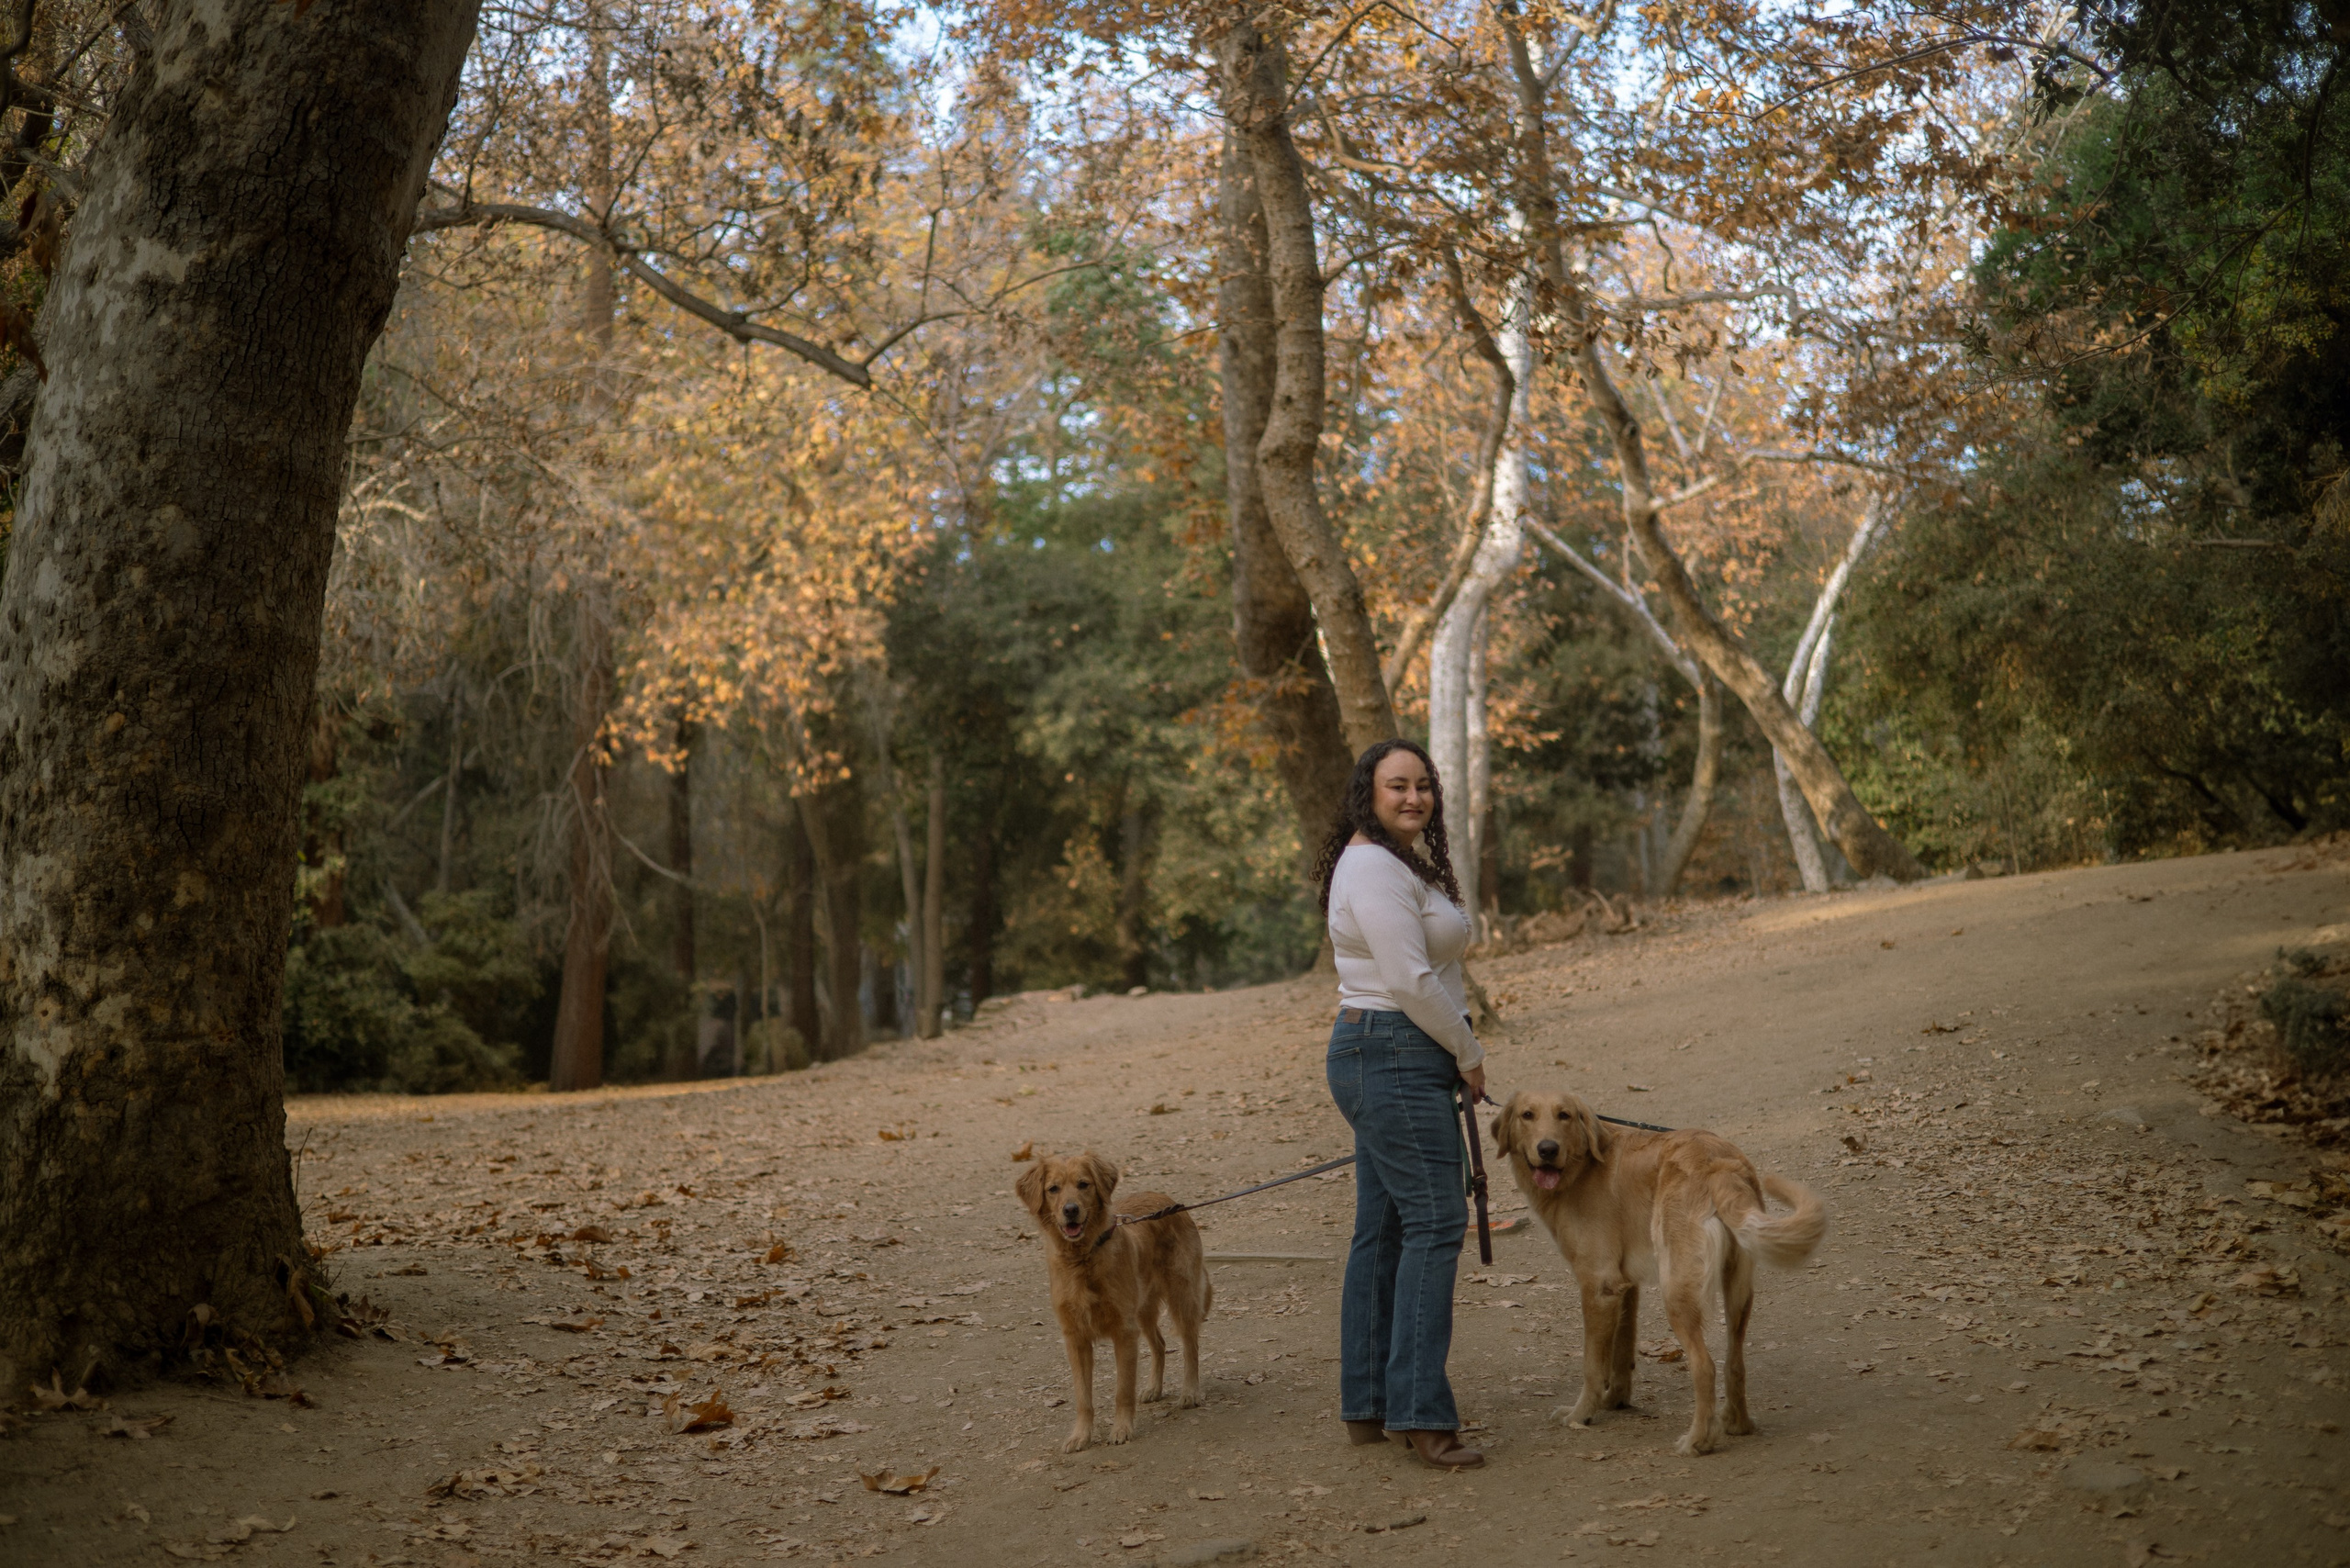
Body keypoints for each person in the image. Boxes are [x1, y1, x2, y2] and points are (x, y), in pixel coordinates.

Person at [1315, 738, 1487, 1470]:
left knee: (1384, 1229)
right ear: (1368, 793)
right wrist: (1469, 1055)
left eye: (1423, 785)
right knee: (1436, 1222)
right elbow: (1411, 982)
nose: (1413, 797)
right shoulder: (1374, 868)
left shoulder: (1392, 862)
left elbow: (1423, 975)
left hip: (1388, 1050)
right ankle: (1420, 1412)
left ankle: (1372, 1403)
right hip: (1392, 1050)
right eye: (1397, 786)